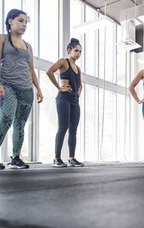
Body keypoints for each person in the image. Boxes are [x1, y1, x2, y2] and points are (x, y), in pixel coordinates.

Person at [0, 9, 43, 170]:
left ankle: (15, 158)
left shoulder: (28, 46)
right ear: (10, 21)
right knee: (6, 119)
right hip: (7, 85)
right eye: (20, 20)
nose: (24, 24)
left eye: (26, 22)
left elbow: (31, 69)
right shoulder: (1, 38)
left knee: (20, 124)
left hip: (26, 89)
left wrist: (38, 88)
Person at [46, 38, 84, 168]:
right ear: (69, 50)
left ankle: (71, 158)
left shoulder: (78, 68)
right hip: (63, 98)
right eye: (76, 50)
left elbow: (80, 85)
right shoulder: (63, 62)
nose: (78, 53)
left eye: (80, 51)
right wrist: (59, 87)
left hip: (74, 101)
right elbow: (49, 71)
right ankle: (57, 158)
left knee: (73, 130)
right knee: (63, 127)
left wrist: (78, 93)